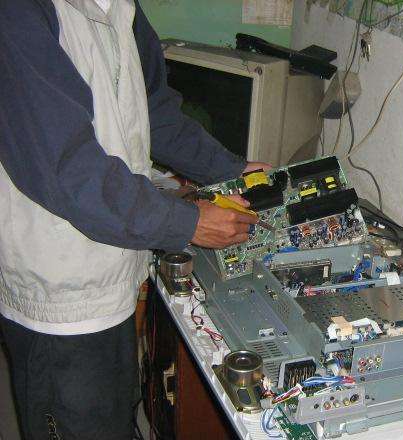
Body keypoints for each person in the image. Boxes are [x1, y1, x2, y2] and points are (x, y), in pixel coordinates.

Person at [0, 0, 269, 438]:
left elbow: (155, 112)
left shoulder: (122, 7)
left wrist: (229, 169)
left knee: (112, 415)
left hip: (114, 272)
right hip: (60, 294)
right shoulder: (18, 12)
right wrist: (188, 223)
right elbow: (68, 170)